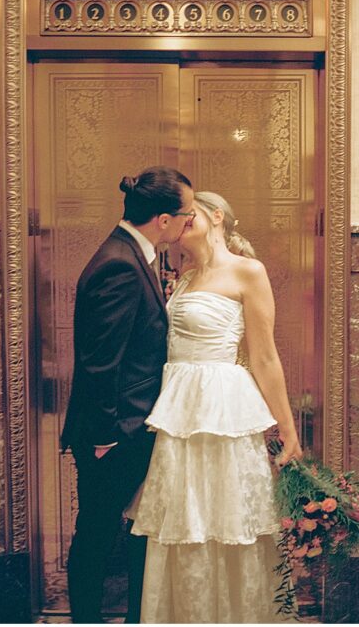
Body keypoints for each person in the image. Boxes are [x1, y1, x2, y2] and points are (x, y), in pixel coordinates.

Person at [128, 190, 302, 623]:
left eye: (192, 215)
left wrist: (287, 427)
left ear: (217, 217)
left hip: (222, 406)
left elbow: (264, 356)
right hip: (179, 410)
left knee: (230, 518)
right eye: (180, 216)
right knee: (184, 517)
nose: (183, 221)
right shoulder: (179, 275)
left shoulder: (248, 271)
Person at [60, 166, 195, 624]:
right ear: (163, 220)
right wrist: (105, 436)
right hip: (114, 433)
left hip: (128, 426)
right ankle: (86, 619)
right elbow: (101, 362)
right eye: (186, 215)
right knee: (96, 534)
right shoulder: (119, 263)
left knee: (104, 532)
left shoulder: (135, 254)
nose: (187, 225)